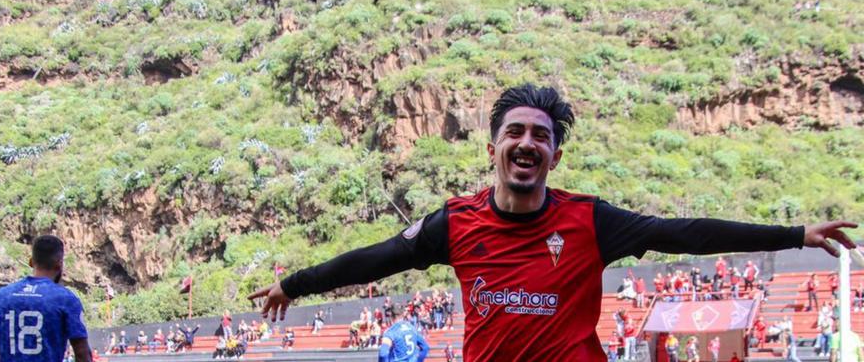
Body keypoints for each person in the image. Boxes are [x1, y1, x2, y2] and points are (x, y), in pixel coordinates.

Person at [248, 85, 858, 361]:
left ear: (554, 156)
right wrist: (294, 285)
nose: (526, 142)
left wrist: (794, 235)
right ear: (493, 147)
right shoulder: (453, 223)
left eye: (541, 136)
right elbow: (375, 259)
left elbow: (685, 232)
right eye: (514, 131)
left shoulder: (591, 220)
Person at [0, 235, 92, 362]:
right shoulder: (66, 299)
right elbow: (82, 353)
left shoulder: (1, 297)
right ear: (59, 264)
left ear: (31, 262)